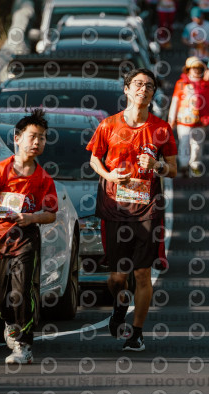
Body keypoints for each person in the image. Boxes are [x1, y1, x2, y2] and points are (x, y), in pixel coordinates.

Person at [86, 68, 178, 352]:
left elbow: (173, 169)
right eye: (138, 84)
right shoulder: (108, 125)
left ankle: (136, 333)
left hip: (148, 209)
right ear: (126, 89)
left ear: (153, 93)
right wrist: (109, 175)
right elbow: (94, 159)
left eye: (149, 86)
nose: (143, 89)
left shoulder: (161, 129)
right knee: (117, 277)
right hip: (114, 207)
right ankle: (120, 304)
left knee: (141, 274)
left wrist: (158, 166)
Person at [0, 109, 58, 364]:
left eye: (42, 137)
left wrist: (31, 218)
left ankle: (24, 345)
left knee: (21, 292)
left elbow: (51, 214)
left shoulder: (43, 179)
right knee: (0, 296)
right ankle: (10, 324)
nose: (37, 142)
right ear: (17, 138)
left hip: (25, 238)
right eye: (33, 136)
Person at [168, 56, 209, 177]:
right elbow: (175, 101)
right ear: (188, 70)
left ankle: (194, 165)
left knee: (197, 146)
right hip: (183, 121)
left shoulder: (206, 84)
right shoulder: (181, 84)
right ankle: (184, 165)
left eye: (199, 68)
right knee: (184, 142)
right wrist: (171, 119)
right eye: (194, 68)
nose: (196, 70)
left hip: (200, 121)